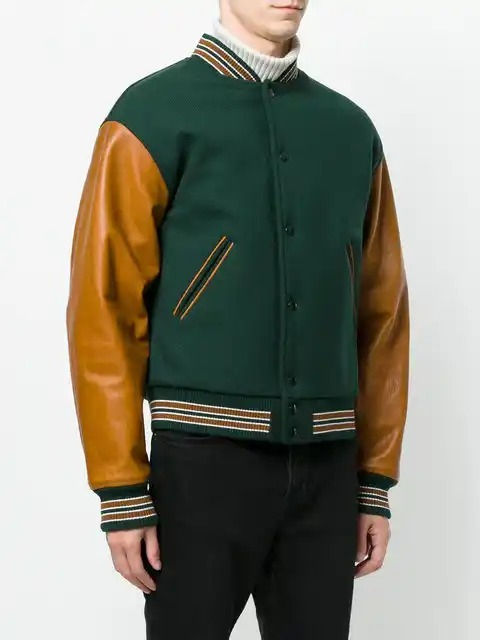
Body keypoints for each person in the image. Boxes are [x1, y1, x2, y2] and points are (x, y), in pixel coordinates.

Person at [66, 1, 410, 638]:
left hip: (327, 467)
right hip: (200, 466)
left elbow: (383, 313)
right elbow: (103, 306)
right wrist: (121, 488)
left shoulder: (350, 130)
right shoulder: (151, 115)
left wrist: (373, 482)